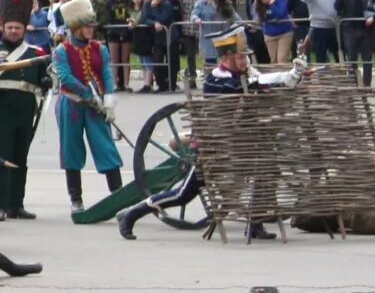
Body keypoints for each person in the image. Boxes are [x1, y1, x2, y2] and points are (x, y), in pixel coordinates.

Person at [117, 26, 297, 239]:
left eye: (245, 58)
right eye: (241, 57)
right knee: (183, 195)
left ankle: (255, 224)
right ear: (227, 57)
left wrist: (293, 76)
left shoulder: (245, 73)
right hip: (214, 147)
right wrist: (283, 76)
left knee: (266, 173)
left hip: (242, 145)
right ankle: (131, 214)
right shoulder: (216, 79)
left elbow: (265, 83)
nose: (245, 61)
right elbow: (249, 86)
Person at [48, 0, 123, 211]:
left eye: (92, 26)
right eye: (86, 26)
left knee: (105, 146)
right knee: (71, 149)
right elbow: (66, 77)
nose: (90, 30)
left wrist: (108, 99)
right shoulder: (62, 51)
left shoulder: (100, 48)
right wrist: (89, 96)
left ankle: (118, 193)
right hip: (71, 104)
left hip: (97, 104)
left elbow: (106, 74)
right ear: (75, 27)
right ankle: (76, 199)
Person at [0, 0, 52, 222]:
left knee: (20, 159)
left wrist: (46, 81)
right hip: (1, 110)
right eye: (10, 27)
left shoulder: (36, 54)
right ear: (3, 27)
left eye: (18, 28)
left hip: (25, 110)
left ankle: (16, 204)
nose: (13, 31)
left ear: (24, 29)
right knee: (0, 159)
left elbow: (44, 79)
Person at [334, 0, 373, 88]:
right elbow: (337, 7)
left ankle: (366, 84)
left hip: (366, 29)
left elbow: (372, 8)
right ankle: (353, 83)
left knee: (367, 58)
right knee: (351, 58)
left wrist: (371, 17)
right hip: (349, 30)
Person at [301, 0, 339, 65]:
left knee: (337, 54)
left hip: (332, 26)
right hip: (318, 27)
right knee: (320, 55)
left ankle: (338, 74)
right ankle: (321, 76)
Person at [102, 0, 134, 92]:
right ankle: (114, 84)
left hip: (126, 32)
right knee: (114, 59)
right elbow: (108, 19)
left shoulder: (128, 1)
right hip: (113, 33)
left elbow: (131, 14)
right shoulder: (108, 2)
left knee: (126, 59)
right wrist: (116, 30)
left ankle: (126, 84)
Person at [260, 0, 295, 64]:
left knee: (282, 60)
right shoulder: (258, 3)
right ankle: (276, 78)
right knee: (274, 61)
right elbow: (259, 17)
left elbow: (280, 14)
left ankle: (285, 78)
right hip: (269, 34)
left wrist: (272, 5)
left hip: (284, 33)